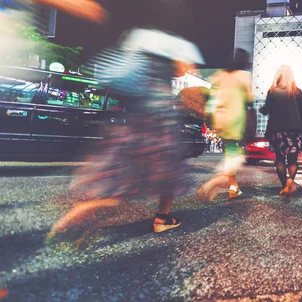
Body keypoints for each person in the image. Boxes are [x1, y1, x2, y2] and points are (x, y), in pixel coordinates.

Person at [48, 0, 205, 237]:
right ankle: (162, 218)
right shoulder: (181, 45)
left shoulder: (138, 35)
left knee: (123, 182)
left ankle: (76, 216)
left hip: (137, 116)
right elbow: (188, 79)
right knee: (171, 172)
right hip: (161, 118)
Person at [199, 48, 253, 199]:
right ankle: (220, 178)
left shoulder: (220, 75)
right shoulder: (244, 75)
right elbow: (249, 98)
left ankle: (233, 186)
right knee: (239, 154)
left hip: (221, 117)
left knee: (230, 151)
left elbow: (212, 99)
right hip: (236, 118)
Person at [259, 66, 302, 195]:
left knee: (280, 159)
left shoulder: (272, 91)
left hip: (277, 131)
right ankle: (290, 181)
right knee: (292, 160)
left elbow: (266, 110)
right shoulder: (297, 92)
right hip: (295, 131)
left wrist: (261, 109)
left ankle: (283, 186)